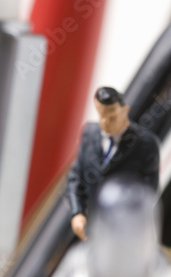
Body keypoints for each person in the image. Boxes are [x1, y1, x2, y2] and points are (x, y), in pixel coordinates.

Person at [66, 86, 160, 240]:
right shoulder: (89, 133)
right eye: (101, 115)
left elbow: (148, 192)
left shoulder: (146, 144)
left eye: (112, 116)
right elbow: (75, 177)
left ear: (125, 110)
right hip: (91, 226)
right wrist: (77, 212)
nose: (105, 122)